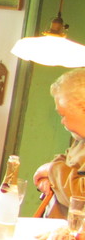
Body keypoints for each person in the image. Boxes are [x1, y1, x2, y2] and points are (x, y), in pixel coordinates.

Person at [34, 68, 85, 217]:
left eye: (63, 114)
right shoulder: (80, 140)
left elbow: (79, 196)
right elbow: (66, 160)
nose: (62, 121)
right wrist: (49, 177)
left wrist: (51, 170)